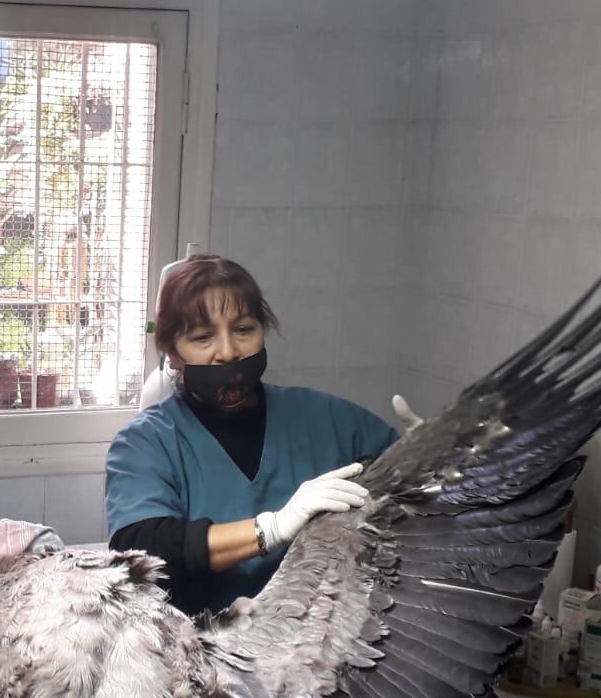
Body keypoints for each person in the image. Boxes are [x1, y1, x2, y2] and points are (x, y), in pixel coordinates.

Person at [106, 255, 418, 615]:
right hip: (203, 653)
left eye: (243, 330)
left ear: (262, 330)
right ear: (173, 354)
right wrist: (270, 529)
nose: (228, 352)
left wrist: (436, 454)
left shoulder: (325, 418)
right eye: (203, 337)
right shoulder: (145, 445)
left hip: (324, 643)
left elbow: (409, 491)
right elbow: (144, 552)